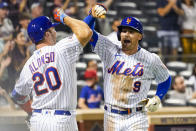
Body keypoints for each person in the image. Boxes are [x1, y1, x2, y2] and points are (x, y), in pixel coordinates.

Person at [85, 5, 172, 130]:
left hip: (137, 116)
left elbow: (165, 79)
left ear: (140, 36)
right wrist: (91, 15)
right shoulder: (108, 49)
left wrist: (158, 97)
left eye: (131, 32)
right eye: (124, 31)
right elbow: (85, 31)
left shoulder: (151, 58)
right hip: (111, 116)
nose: (126, 35)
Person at [11, 9, 92, 131]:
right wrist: (64, 17)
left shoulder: (28, 64)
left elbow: (17, 95)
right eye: (53, 29)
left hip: (38, 120)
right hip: (62, 121)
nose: (55, 31)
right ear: (47, 34)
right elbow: (86, 31)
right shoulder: (61, 49)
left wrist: (30, 111)